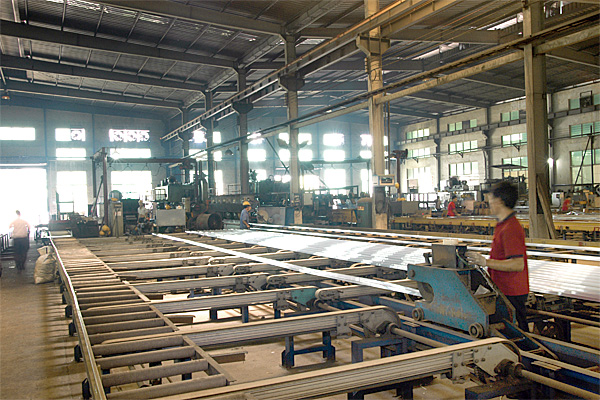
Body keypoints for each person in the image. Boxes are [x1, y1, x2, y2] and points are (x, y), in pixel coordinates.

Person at [466, 182, 529, 332]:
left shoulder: (510, 228)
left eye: (491, 200)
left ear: (499, 201)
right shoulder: (503, 225)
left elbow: (517, 264)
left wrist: (485, 262)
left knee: (517, 334)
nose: (489, 204)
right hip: (504, 289)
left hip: (511, 292)